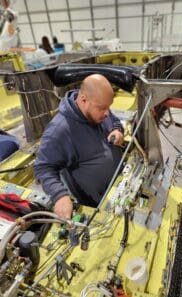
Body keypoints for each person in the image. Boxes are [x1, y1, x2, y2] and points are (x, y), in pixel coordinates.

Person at [34, 74, 124, 219]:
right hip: (97, 205)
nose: (107, 113)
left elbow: (114, 120)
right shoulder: (59, 131)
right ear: (83, 100)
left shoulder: (98, 107)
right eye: (102, 108)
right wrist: (59, 195)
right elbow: (43, 168)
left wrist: (117, 129)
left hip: (120, 185)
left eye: (109, 107)